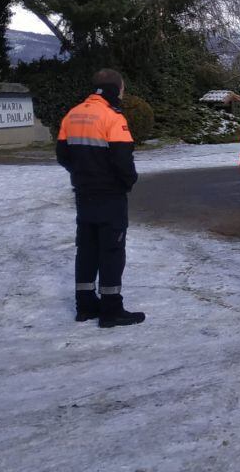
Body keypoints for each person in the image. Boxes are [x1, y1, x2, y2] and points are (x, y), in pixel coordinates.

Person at [56, 69, 145, 328]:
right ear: (116, 89)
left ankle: (84, 305)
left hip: (84, 194)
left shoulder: (73, 114)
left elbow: (62, 155)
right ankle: (111, 309)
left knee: (86, 249)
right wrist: (127, 182)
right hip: (110, 196)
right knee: (112, 250)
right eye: (123, 89)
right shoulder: (112, 117)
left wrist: (82, 175)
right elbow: (123, 160)